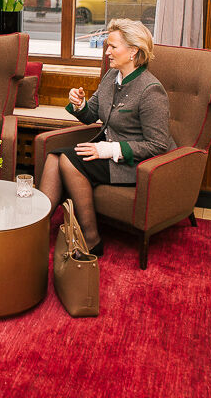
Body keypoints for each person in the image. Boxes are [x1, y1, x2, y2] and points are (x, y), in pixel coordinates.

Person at [38, 19, 175, 257]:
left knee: (68, 160)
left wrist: (107, 150)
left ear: (133, 51)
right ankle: (36, 228)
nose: (107, 51)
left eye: (112, 47)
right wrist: (79, 105)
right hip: (107, 152)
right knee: (53, 157)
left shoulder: (151, 90)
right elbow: (92, 114)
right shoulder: (112, 77)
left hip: (135, 163)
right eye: (107, 45)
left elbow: (158, 145)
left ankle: (92, 239)